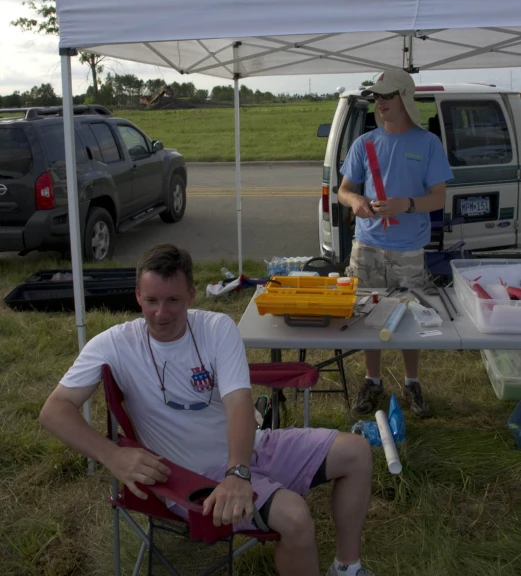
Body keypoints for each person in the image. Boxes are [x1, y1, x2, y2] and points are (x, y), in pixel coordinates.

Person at [40, 243, 375, 576]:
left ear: (191, 294)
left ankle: (346, 566)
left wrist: (238, 472)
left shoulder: (216, 328)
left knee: (357, 451)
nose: (161, 312)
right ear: (138, 296)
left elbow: (240, 403)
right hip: (192, 478)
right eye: (152, 300)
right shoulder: (114, 344)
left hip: (247, 450)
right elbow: (54, 410)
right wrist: (112, 456)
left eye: (173, 300)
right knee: (296, 517)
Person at [338, 70, 453, 418]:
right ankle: (372, 381)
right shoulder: (365, 143)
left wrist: (408, 204)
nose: (381, 102)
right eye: (377, 97)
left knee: (410, 318)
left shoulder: (428, 144)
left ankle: (411, 381)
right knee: (367, 316)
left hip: (408, 249)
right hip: (368, 246)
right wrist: (354, 202)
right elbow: (344, 190)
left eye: (387, 96)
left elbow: (439, 198)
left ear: (405, 97)